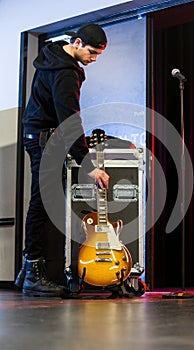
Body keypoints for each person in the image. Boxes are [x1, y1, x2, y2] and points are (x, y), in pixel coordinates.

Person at [15, 23, 109, 297]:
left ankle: (27, 270)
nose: (93, 59)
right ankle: (33, 272)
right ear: (77, 43)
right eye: (92, 52)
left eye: (98, 55)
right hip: (46, 140)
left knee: (40, 203)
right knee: (42, 205)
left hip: (39, 137)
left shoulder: (51, 58)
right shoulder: (65, 73)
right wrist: (89, 165)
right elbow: (69, 121)